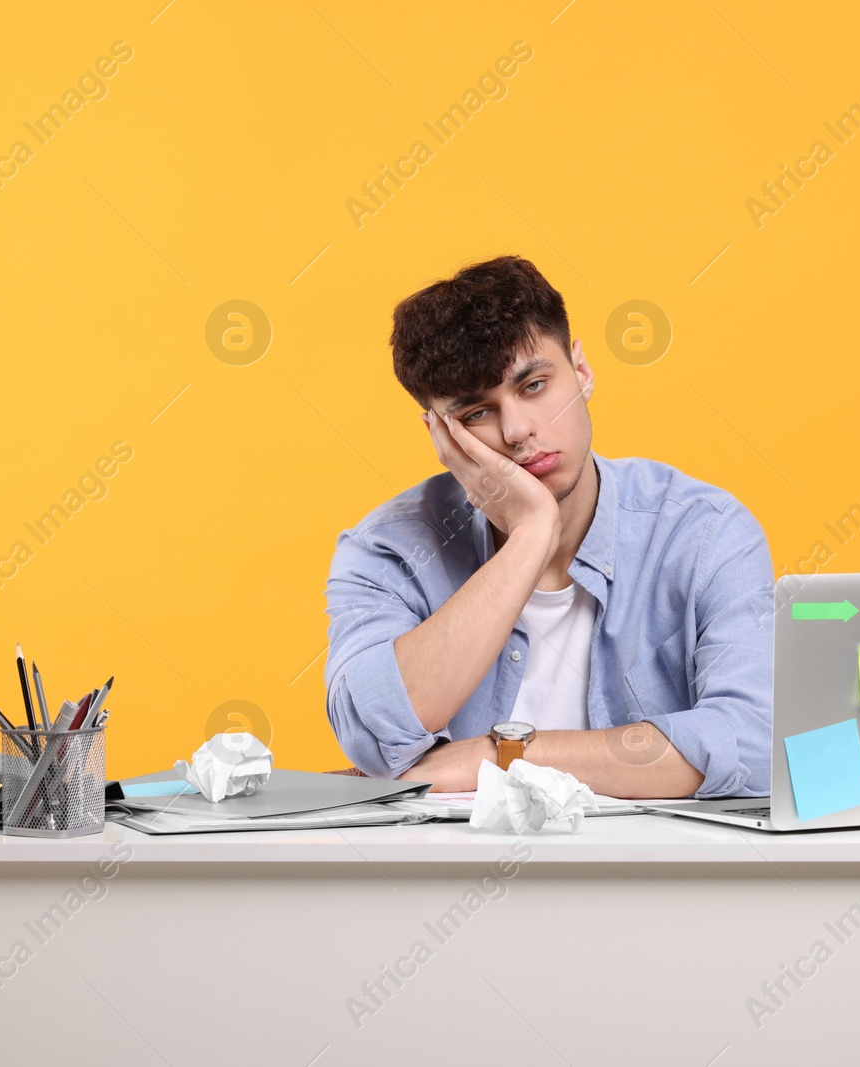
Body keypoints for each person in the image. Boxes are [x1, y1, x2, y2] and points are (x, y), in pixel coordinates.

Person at [323, 256, 773, 798]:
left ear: (581, 372)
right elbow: (375, 741)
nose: (516, 431)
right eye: (476, 414)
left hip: (655, 877)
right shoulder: (388, 550)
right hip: (448, 878)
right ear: (438, 436)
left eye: (534, 385)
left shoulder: (704, 533)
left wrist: (503, 755)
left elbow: (756, 744)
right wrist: (533, 532)